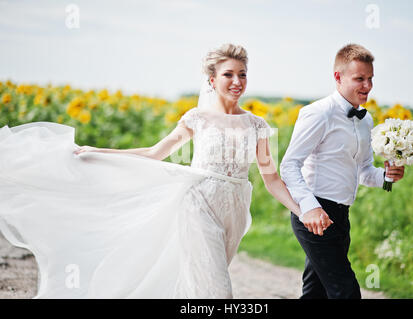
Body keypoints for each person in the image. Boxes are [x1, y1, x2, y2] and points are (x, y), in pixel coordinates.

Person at [0, 43, 333, 299]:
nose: (237, 81)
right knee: (217, 290)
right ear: (212, 79)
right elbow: (154, 153)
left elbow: (271, 178)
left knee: (197, 283)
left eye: (242, 74)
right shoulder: (196, 118)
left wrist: (303, 210)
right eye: (229, 74)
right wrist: (98, 152)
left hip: (235, 207)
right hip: (198, 201)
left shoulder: (258, 125)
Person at [280, 43, 405, 299]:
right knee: (345, 291)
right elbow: (289, 165)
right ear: (338, 77)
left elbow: (363, 170)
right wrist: (309, 207)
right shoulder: (318, 113)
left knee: (316, 292)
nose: (367, 86)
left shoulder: (365, 120)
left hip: (341, 215)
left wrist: (386, 177)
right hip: (315, 215)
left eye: (370, 79)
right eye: (359, 79)